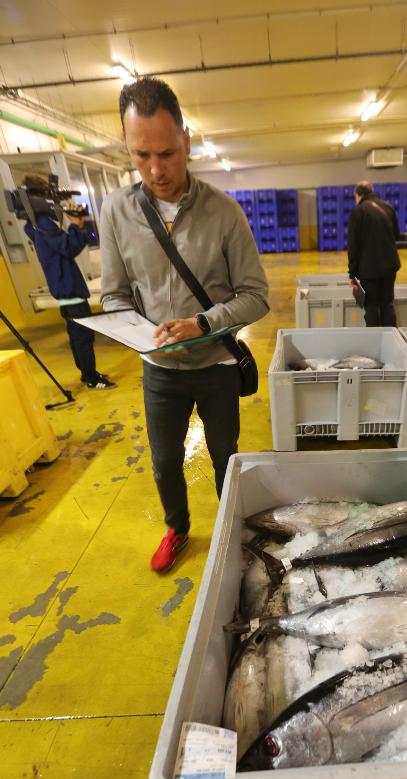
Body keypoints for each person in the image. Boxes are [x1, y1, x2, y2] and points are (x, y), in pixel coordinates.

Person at [99, 77, 269, 574]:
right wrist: (131, 329)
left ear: (187, 141)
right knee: (165, 463)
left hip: (216, 365)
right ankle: (177, 529)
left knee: (226, 457)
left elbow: (256, 296)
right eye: (141, 155)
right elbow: (114, 294)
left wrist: (204, 323)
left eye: (168, 153)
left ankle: (232, 530)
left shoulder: (224, 212)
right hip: (159, 372)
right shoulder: (115, 213)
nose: (156, 169)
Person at [22, 175, 115, 390]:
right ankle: (91, 378)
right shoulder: (43, 224)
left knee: (76, 336)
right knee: (82, 337)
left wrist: (74, 225)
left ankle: (87, 373)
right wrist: (76, 225)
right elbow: (69, 247)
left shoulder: (34, 224)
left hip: (65, 290)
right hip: (69, 290)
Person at [347, 180, 401, 326]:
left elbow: (353, 246)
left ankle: (376, 342)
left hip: (369, 269)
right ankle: (391, 341)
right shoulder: (388, 208)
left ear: (358, 195)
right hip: (390, 266)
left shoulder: (358, 211)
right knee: (387, 304)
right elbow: (396, 235)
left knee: (371, 306)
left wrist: (352, 274)